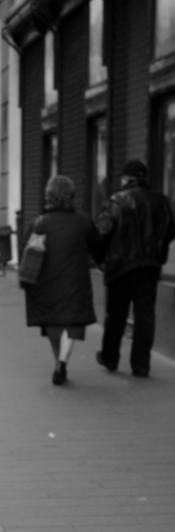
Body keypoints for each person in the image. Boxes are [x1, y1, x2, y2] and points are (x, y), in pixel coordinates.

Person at [96, 159, 175, 378]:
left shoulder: (116, 201)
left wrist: (100, 259)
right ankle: (141, 365)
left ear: (126, 179)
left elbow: (103, 232)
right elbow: (170, 231)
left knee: (116, 315)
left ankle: (110, 357)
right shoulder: (161, 201)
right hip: (149, 267)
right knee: (145, 316)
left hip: (121, 267)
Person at [23, 175, 103, 386]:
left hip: (46, 281)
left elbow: (26, 249)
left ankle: (58, 362)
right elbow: (97, 247)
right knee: (72, 322)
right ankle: (62, 361)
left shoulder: (39, 222)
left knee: (52, 322)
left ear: (49, 195)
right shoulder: (83, 220)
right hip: (74, 279)